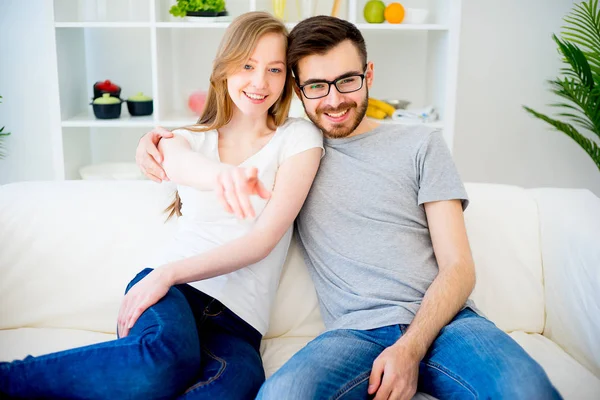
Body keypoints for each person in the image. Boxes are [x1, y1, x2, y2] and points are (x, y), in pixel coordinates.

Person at [136, 15, 561, 400]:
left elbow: (459, 267)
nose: (334, 100)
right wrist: (150, 144)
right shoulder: (297, 150)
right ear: (298, 90)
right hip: (353, 334)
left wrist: (409, 348)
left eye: (347, 81)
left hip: (449, 326)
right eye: (316, 87)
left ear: (368, 74)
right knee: (281, 395)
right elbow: (215, 151)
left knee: (528, 390)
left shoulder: (421, 144)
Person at [0, 12, 323, 400]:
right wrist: (222, 177)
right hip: (173, 295)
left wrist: (169, 272)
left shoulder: (298, 138)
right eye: (248, 65)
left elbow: (262, 242)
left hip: (237, 325)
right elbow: (183, 164)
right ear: (224, 69)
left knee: (226, 391)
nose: (260, 82)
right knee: (163, 361)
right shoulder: (185, 139)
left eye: (274, 69)